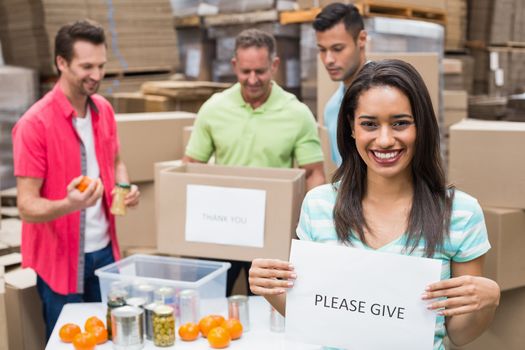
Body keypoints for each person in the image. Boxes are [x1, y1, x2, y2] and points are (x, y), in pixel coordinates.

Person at [248, 60, 500, 349]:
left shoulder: (460, 214)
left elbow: (459, 334)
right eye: (369, 124)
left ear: (422, 126)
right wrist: (270, 288)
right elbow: (314, 316)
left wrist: (488, 301)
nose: (384, 140)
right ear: (351, 128)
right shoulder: (319, 206)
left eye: (400, 123)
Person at [13, 20, 140, 340]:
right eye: (86, 66)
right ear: (61, 63)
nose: (96, 75)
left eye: (101, 65)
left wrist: (123, 188)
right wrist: (69, 204)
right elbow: (27, 207)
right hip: (61, 260)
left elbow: (115, 160)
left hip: (106, 253)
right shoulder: (34, 124)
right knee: (70, 343)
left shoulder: (104, 111)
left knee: (111, 338)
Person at [183, 28, 325, 296]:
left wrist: (309, 230)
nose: (252, 79)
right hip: (219, 229)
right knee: (209, 302)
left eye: (260, 71)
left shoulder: (297, 113)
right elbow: (191, 166)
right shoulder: (214, 108)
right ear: (234, 65)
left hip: (270, 234)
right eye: (245, 71)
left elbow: (314, 174)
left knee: (267, 308)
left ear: (274, 65)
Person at [314, 2, 367, 166]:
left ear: (361, 39)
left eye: (337, 48)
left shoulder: (391, 94)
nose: (328, 60)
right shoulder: (331, 109)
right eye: (322, 50)